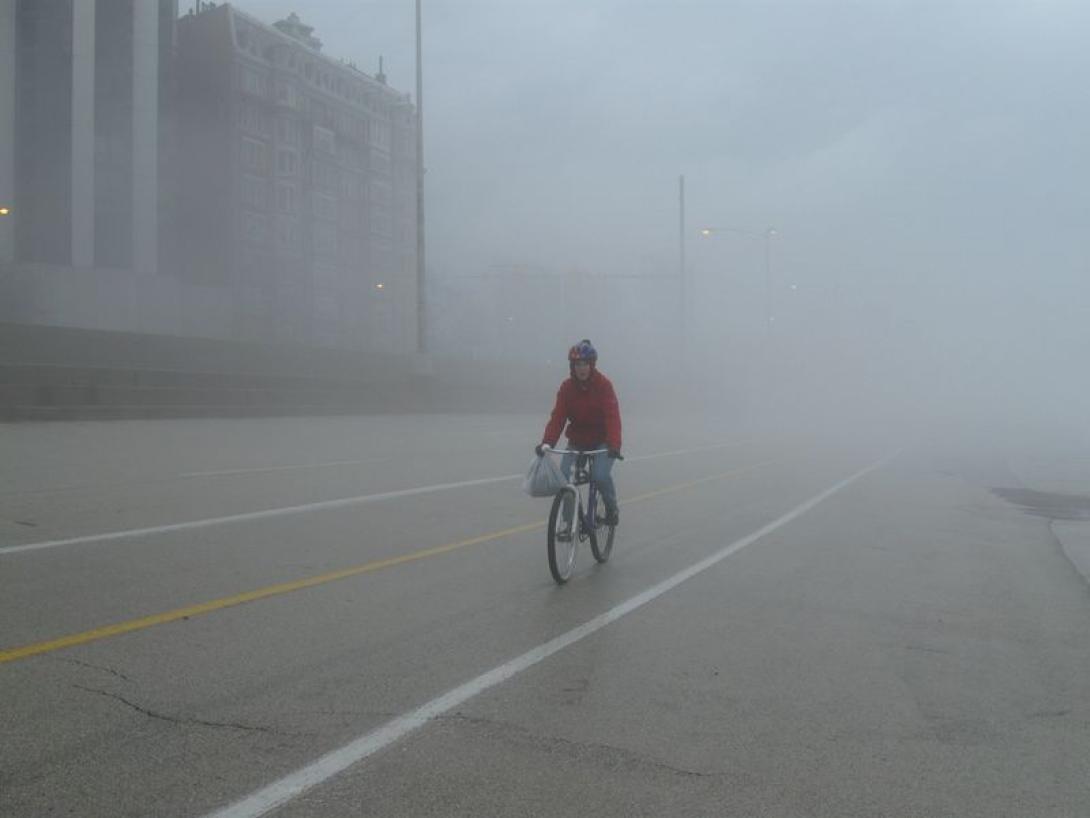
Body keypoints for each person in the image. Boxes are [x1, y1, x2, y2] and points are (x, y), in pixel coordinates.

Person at [535, 339, 623, 538]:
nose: (581, 369)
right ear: (572, 367)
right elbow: (558, 417)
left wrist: (614, 445)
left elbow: (612, 417)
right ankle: (568, 523)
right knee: (564, 482)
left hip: (602, 442)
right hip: (577, 442)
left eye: (585, 364)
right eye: (577, 365)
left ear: (592, 365)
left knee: (600, 476)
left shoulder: (604, 386)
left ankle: (611, 509)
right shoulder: (567, 388)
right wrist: (547, 443)